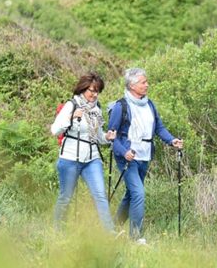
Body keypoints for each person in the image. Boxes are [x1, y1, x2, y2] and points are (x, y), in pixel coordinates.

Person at [107, 67, 183, 243]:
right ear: (132, 86)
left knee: (131, 193)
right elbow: (113, 136)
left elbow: (159, 128)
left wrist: (172, 141)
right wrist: (124, 152)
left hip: (144, 156)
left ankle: (113, 228)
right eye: (143, 82)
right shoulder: (121, 106)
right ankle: (136, 238)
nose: (147, 85)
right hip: (127, 157)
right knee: (139, 193)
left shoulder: (149, 104)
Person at [49, 72, 116, 232]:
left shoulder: (96, 109)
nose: (94, 94)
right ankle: (56, 231)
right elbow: (55, 130)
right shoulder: (71, 105)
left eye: (97, 91)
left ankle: (110, 233)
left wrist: (107, 137)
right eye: (91, 90)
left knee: (100, 195)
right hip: (70, 158)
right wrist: (72, 117)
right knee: (65, 197)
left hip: (92, 159)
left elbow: (98, 136)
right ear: (83, 89)